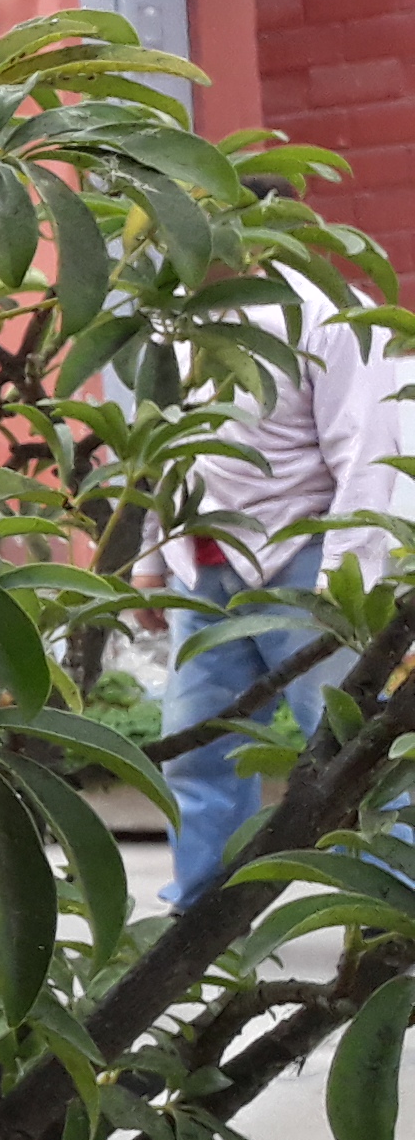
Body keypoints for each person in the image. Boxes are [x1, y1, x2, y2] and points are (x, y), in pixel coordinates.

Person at [153, 304, 406, 905]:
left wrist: (348, 575)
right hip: (202, 566)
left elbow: (366, 447)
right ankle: (201, 916)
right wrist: (153, 555)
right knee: (196, 748)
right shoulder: (172, 314)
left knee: (354, 748)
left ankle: (389, 914)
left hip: (307, 557)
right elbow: (167, 444)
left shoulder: (323, 313)